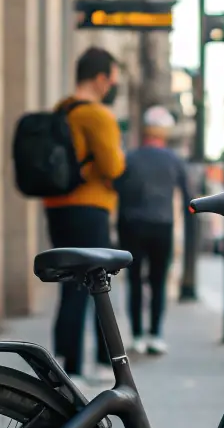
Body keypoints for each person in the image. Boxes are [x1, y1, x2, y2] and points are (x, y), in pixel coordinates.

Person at [43, 47, 126, 382]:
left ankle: (67, 362)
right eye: (113, 79)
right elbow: (114, 166)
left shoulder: (61, 109)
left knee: (70, 286)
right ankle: (99, 365)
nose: (113, 86)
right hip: (90, 207)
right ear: (102, 78)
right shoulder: (97, 115)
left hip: (57, 207)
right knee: (96, 281)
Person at [114, 106, 190, 355]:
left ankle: (137, 335)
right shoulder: (173, 159)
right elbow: (189, 195)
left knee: (134, 280)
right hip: (162, 225)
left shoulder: (130, 157)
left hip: (131, 225)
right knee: (158, 281)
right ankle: (155, 334)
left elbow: (116, 188)